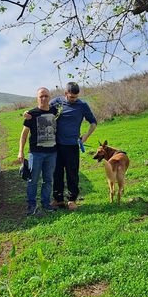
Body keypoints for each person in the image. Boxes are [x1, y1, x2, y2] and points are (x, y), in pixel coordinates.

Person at [25, 82, 97, 210]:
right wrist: (28, 113)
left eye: (76, 97)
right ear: (65, 94)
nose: (74, 99)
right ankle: (58, 199)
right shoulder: (57, 102)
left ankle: (72, 200)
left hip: (72, 145)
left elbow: (93, 122)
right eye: (72, 97)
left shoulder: (82, 105)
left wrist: (86, 136)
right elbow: (43, 107)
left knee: (72, 173)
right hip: (56, 145)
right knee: (56, 173)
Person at [18, 87, 58, 216]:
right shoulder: (31, 114)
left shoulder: (55, 111)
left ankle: (46, 203)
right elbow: (24, 135)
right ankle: (32, 205)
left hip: (52, 153)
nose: (44, 98)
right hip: (36, 153)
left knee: (48, 180)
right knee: (32, 180)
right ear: (37, 98)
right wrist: (20, 151)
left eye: (46, 96)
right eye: (41, 96)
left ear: (49, 97)